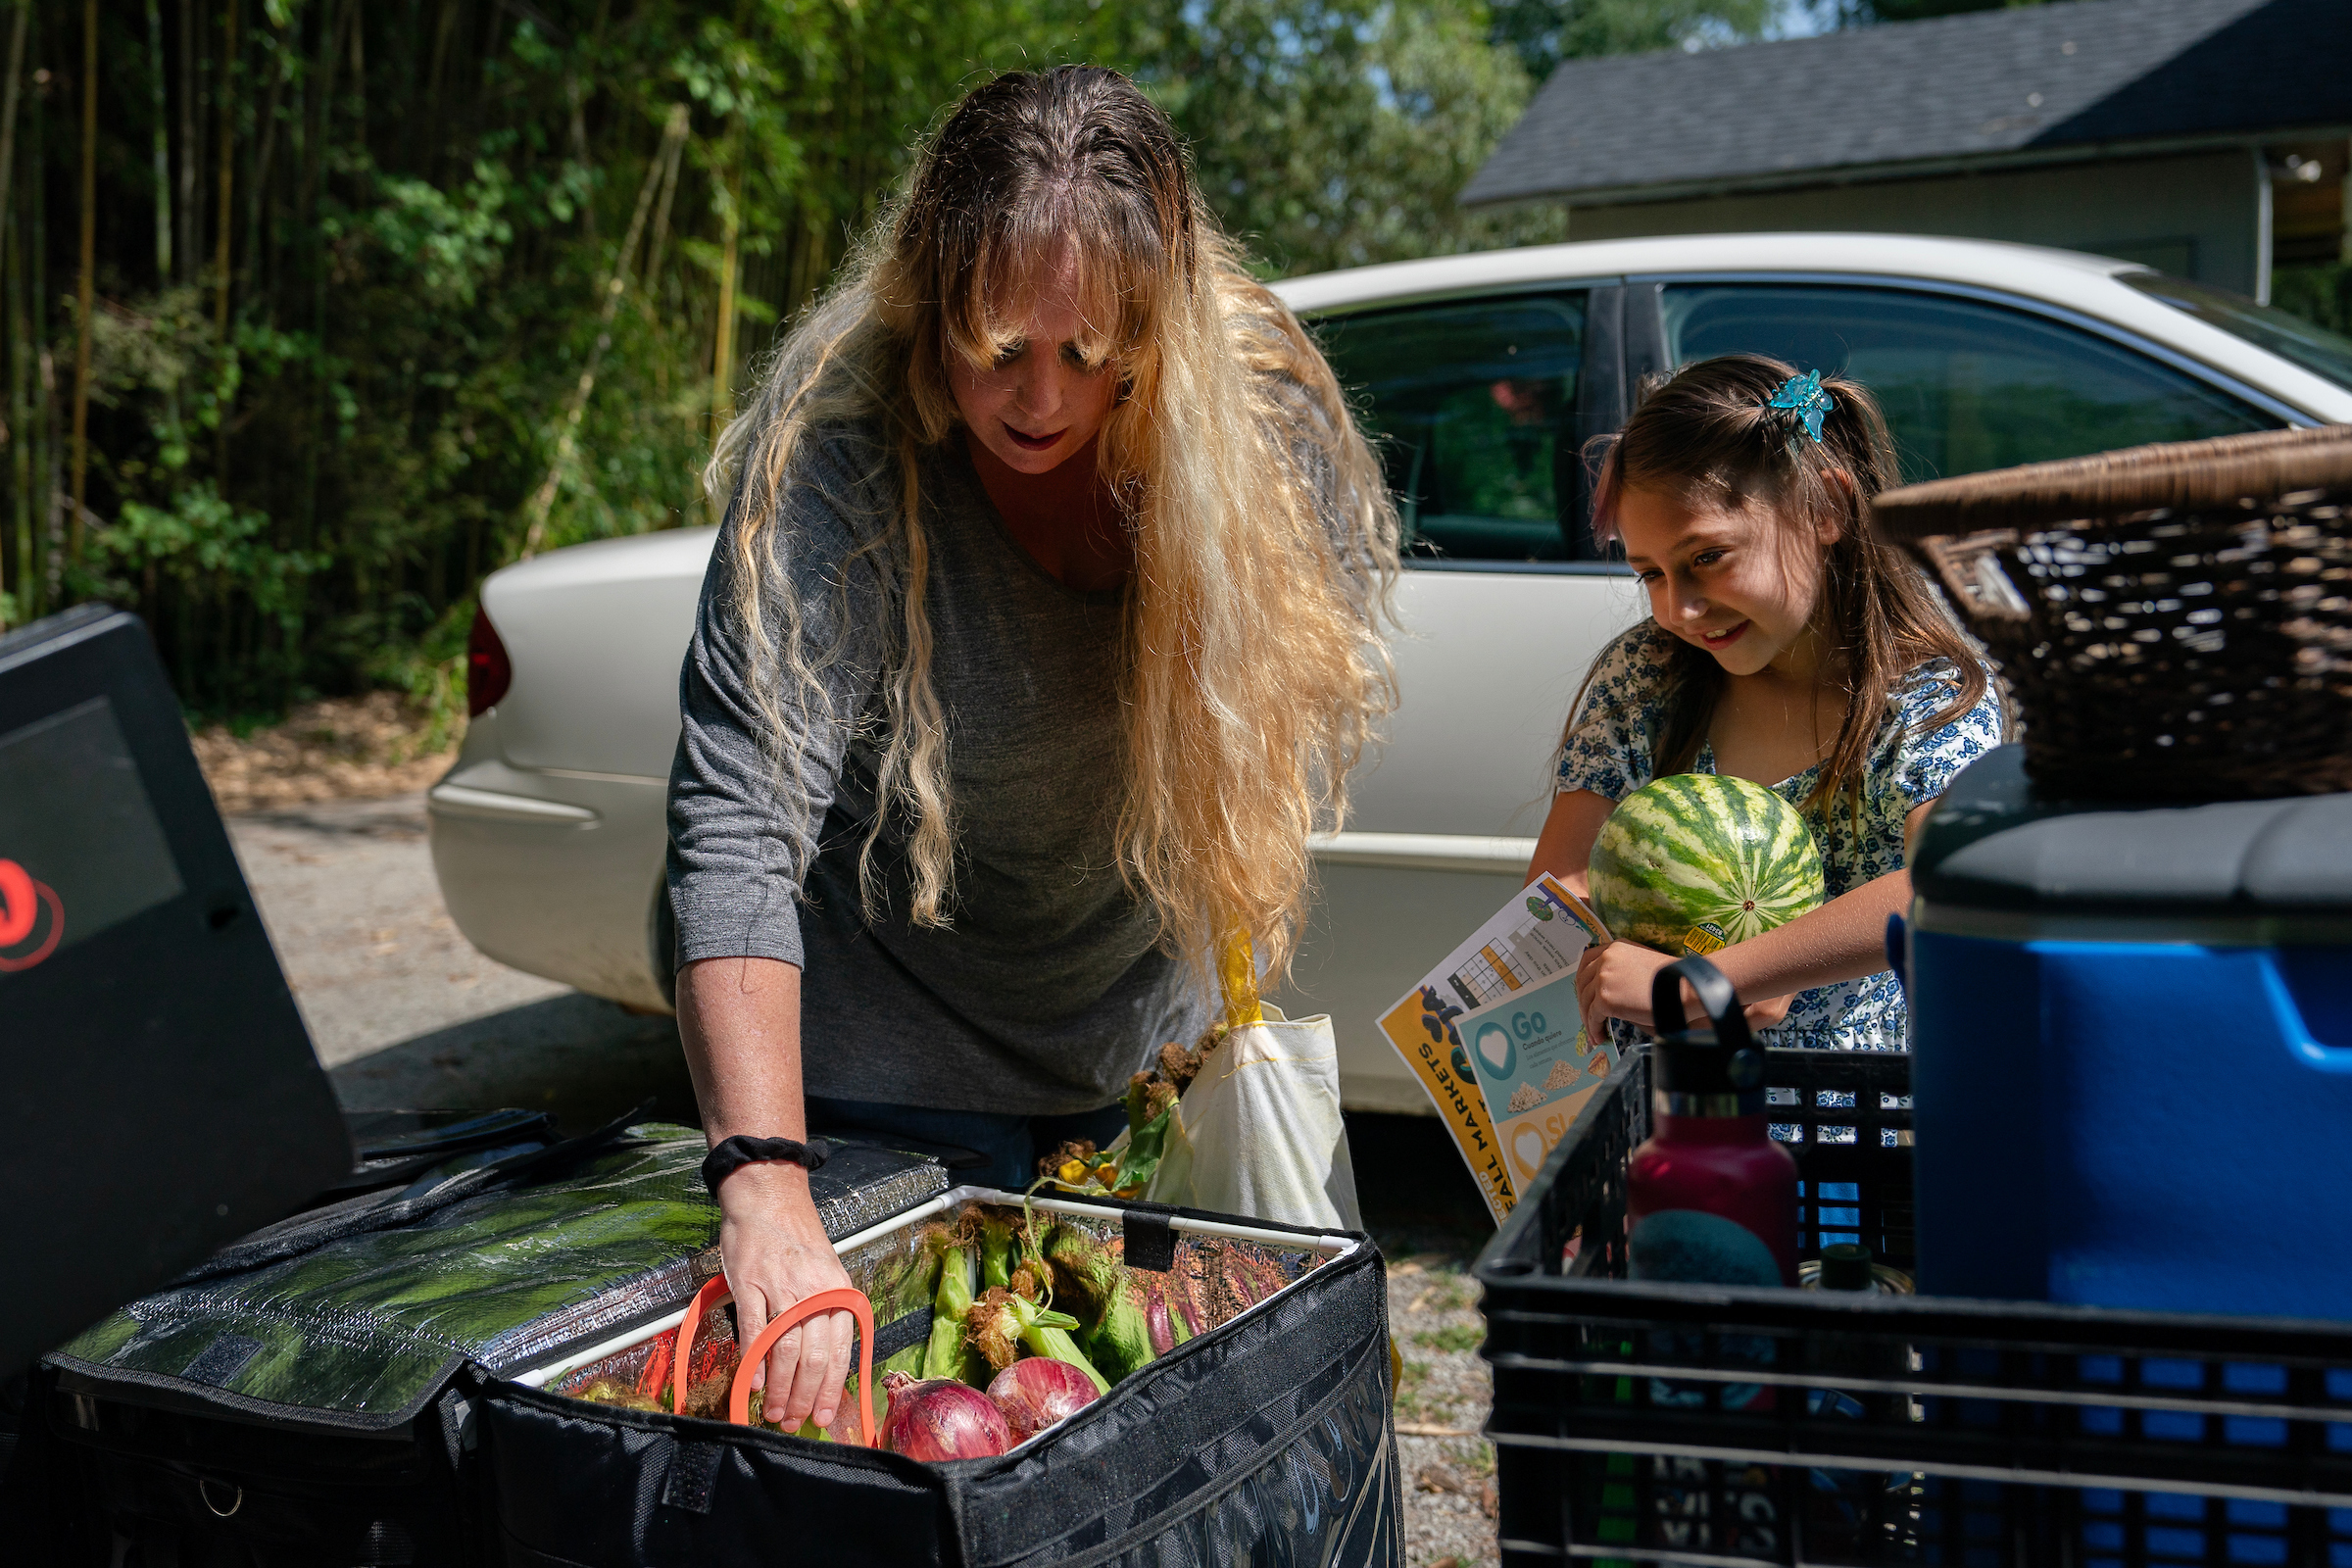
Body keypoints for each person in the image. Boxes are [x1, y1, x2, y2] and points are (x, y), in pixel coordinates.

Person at [666, 66, 1398, 1436]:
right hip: (874, 1083)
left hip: (1134, 1063)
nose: (1041, 399)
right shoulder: (843, 453)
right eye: (997, 345)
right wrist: (766, 1185)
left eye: (1089, 351)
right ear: (928, 303)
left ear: (1163, 327)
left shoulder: (1260, 417)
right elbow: (736, 823)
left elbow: (1276, 719)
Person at [1526, 354, 2004, 1054]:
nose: (1677, 608)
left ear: (1826, 508)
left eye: (1706, 557)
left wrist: (1727, 975)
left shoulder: (1928, 688)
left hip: (1841, 1127)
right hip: (1660, 1110)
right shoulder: (1644, 674)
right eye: (1649, 573)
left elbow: (1946, 880)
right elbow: (1561, 880)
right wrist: (1634, 960)